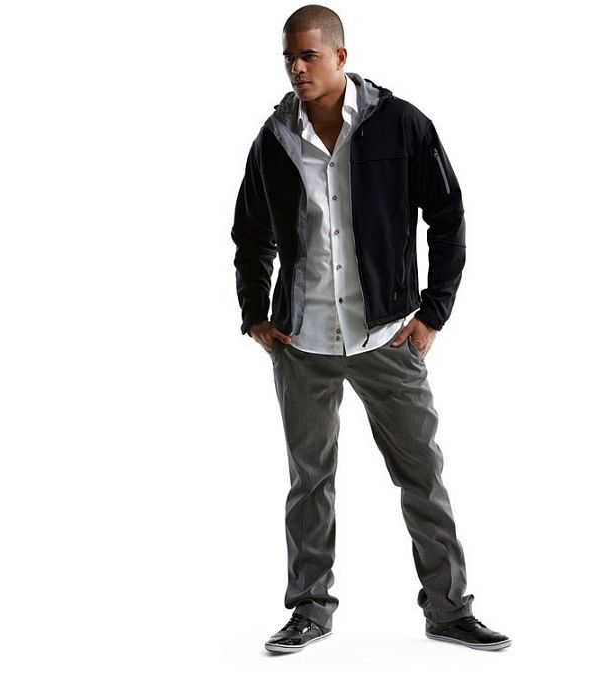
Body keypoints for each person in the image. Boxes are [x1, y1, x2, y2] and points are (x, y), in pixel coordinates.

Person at [231, 4, 511, 653]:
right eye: (288, 58)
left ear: (340, 56)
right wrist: (255, 315)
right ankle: (308, 609)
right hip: (302, 342)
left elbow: (448, 215)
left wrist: (433, 312)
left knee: (422, 474)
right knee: (309, 482)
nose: (297, 69)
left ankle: (448, 609)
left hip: (385, 338)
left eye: (308, 55)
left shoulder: (401, 124)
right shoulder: (274, 137)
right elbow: (251, 233)